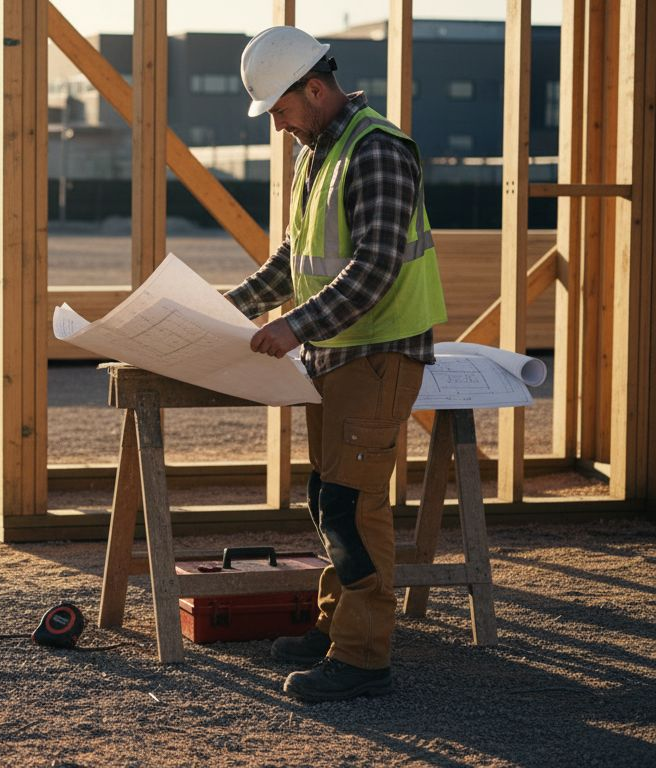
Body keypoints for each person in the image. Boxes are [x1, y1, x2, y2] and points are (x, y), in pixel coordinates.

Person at [225, 26, 447, 703]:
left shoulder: (376, 150)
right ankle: (337, 627)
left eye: (282, 110)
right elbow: (294, 262)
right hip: (336, 354)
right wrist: (226, 310)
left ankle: (362, 657)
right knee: (329, 498)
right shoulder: (318, 150)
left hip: (378, 353)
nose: (279, 125)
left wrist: (293, 326)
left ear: (314, 89)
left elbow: (375, 267)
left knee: (353, 505)